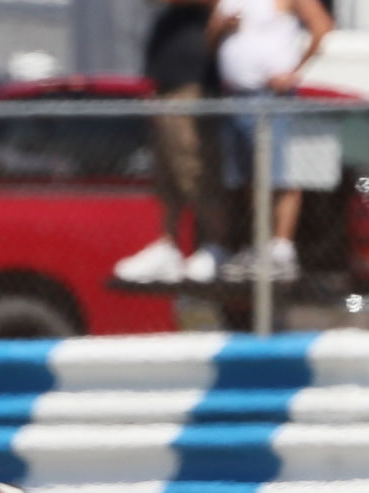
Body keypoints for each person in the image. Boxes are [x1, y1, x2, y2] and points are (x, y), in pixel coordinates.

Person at [209, 0, 335, 282]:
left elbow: (322, 26)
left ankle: (280, 247)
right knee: (247, 177)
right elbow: (209, 40)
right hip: (235, 97)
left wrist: (294, 71)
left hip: (270, 98)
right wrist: (220, 27)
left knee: (278, 172)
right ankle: (258, 245)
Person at [113, 0, 231, 285]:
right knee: (168, 175)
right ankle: (168, 245)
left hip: (192, 84)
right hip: (166, 85)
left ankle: (216, 246)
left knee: (194, 168)